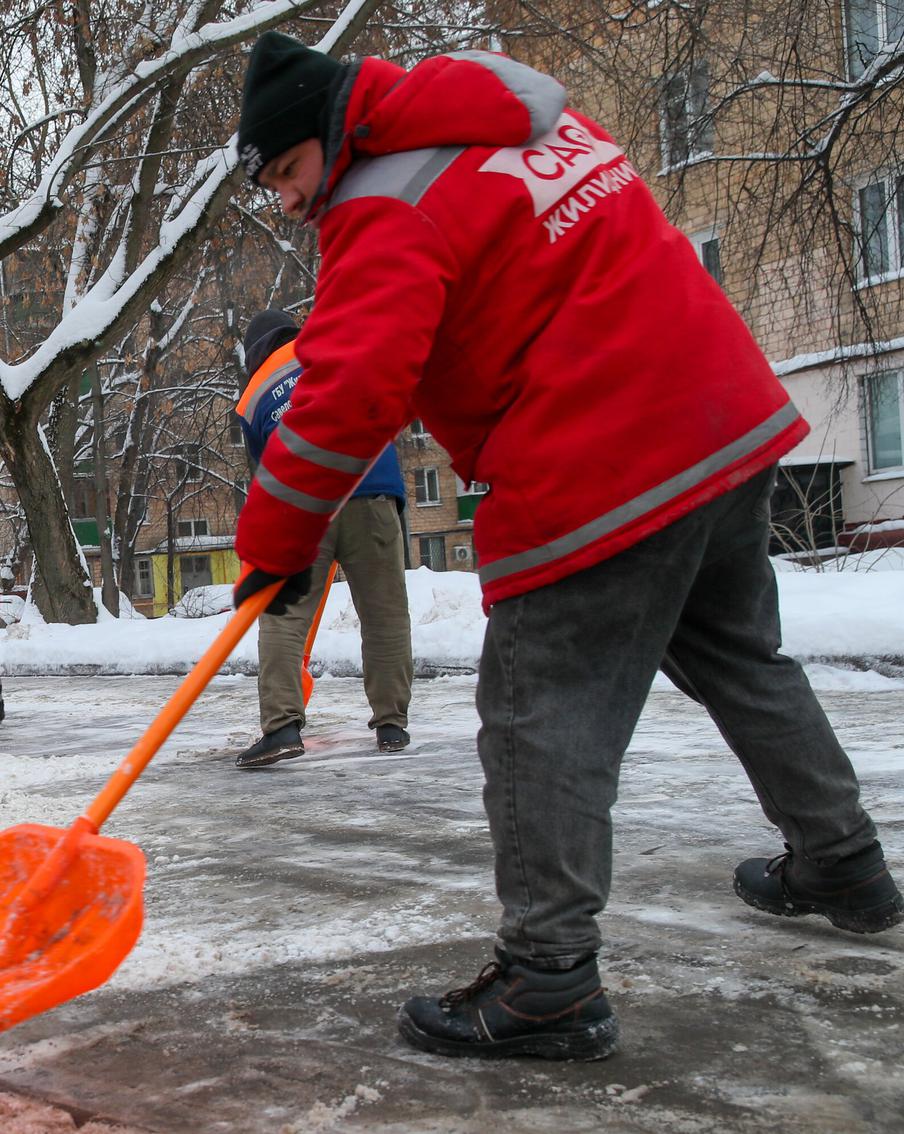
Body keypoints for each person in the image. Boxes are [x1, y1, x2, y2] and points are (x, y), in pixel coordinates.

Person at [231, 33, 904, 1059]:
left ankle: (547, 981)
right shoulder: (518, 124)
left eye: (285, 171)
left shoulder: (379, 203)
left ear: (333, 131)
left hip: (601, 456)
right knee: (737, 656)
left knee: (537, 717)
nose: (286, 199)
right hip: (717, 420)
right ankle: (843, 864)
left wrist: (274, 541)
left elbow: (350, 392)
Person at [234, 308, 413, 767]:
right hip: (371, 485)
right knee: (384, 615)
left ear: (255, 354)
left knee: (284, 618)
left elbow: (265, 471)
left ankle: (282, 728)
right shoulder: (341, 346)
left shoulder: (254, 395)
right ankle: (391, 725)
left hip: (300, 503)